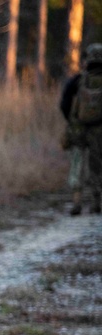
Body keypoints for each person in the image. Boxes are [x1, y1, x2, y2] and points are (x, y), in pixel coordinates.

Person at [63, 44, 102, 216]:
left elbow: (64, 103)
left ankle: (76, 202)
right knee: (97, 165)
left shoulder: (77, 80)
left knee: (76, 165)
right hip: (98, 130)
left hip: (78, 128)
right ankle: (96, 203)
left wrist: (72, 121)